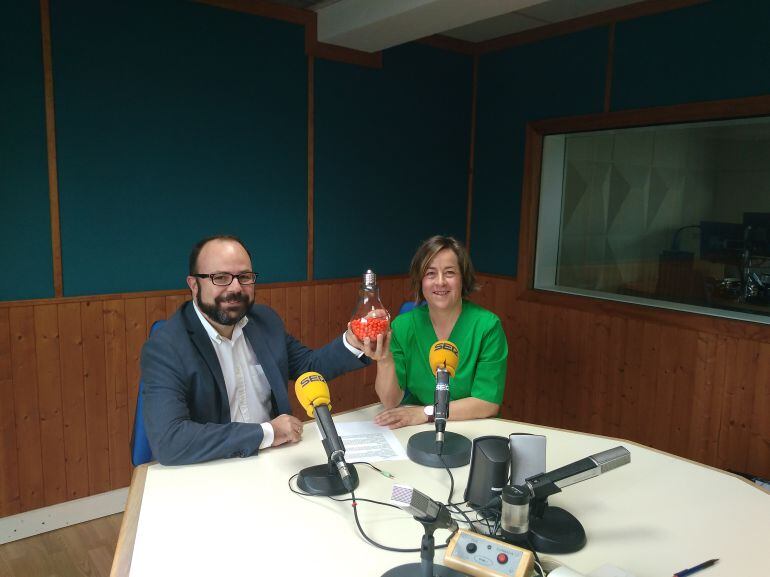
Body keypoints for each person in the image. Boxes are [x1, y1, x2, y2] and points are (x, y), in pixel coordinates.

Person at [140, 235, 370, 465]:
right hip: (212, 467)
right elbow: (170, 440)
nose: (235, 288)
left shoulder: (265, 322)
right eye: (220, 278)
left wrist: (352, 341)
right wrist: (267, 432)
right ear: (194, 285)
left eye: (245, 277)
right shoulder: (166, 346)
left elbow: (308, 367)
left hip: (272, 460)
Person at [361, 235, 507, 429]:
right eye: (430, 273)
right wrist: (385, 359)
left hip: (471, 428)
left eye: (449, 273)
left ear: (463, 278)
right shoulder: (402, 326)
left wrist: (426, 412)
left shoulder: (487, 327)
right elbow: (390, 402)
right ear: (420, 281)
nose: (440, 282)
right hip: (416, 429)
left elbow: (487, 403)